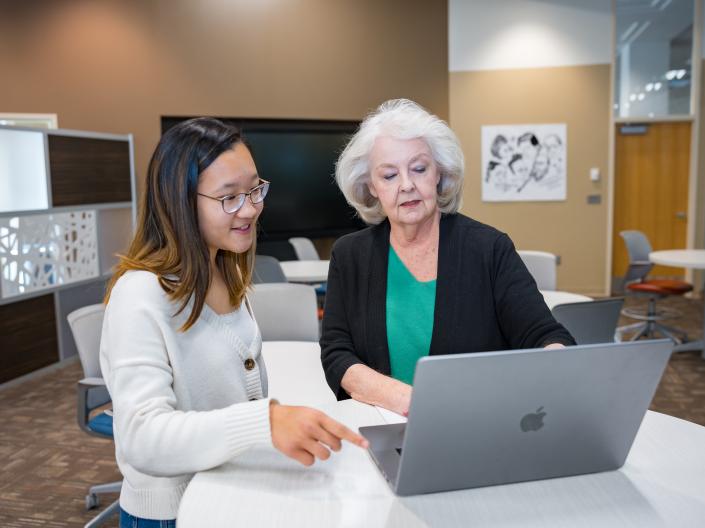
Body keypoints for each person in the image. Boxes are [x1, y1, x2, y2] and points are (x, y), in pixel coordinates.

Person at [100, 118, 367, 527]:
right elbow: (141, 437)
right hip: (170, 514)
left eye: (254, 190)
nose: (251, 208)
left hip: (226, 496)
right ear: (180, 201)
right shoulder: (140, 294)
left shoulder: (227, 273)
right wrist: (265, 421)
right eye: (229, 198)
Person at [321, 99, 575, 416]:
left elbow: (544, 335)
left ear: (439, 173)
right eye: (389, 175)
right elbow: (337, 352)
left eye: (418, 168)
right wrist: (410, 402)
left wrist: (555, 365)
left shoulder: (489, 249)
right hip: (379, 424)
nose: (407, 185)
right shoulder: (350, 255)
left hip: (475, 426)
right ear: (370, 186)